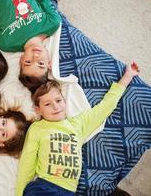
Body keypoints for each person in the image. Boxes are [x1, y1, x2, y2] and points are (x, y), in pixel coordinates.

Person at [15, 62, 140, 196]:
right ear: (38, 110)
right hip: (44, 187)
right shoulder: (38, 128)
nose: (56, 107)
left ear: (64, 100)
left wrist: (128, 76)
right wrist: (19, 193)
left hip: (69, 192)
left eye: (58, 101)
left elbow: (106, 106)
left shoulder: (78, 124)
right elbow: (27, 162)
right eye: (47, 104)